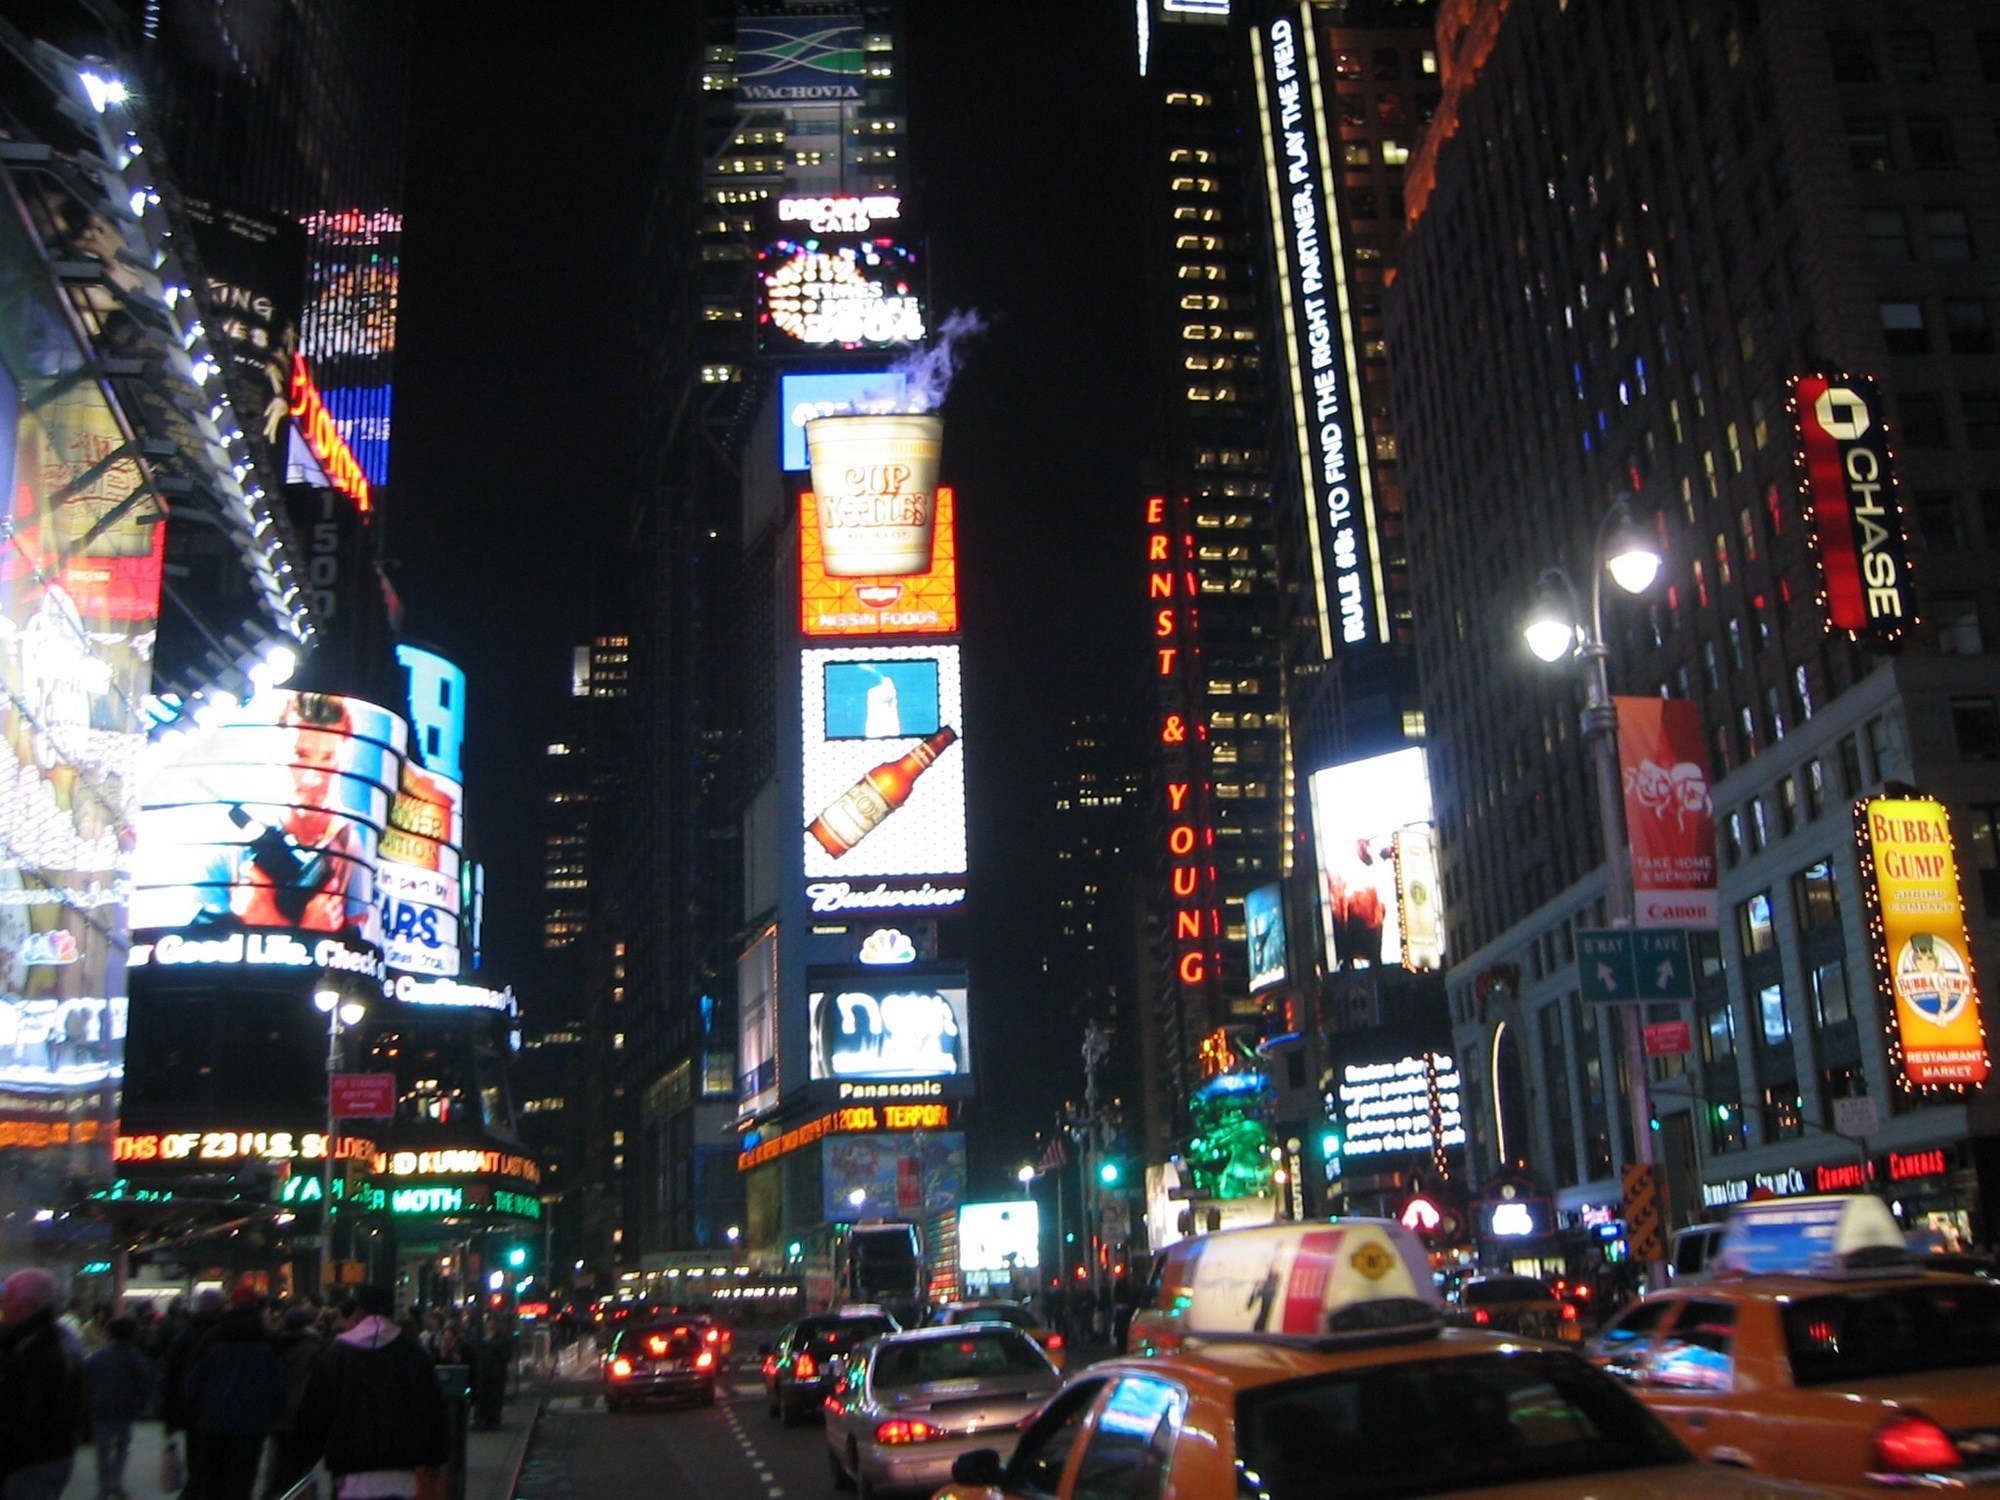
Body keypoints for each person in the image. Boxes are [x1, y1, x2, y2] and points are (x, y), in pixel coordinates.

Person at [294, 1286, 448, 1500]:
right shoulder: (413, 1353)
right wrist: (435, 1456)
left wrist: (304, 1457)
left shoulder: (337, 1354)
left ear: (358, 1312)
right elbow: (432, 1408)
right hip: (402, 1471)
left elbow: (316, 1412)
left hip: (351, 1471)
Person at [183, 1284, 287, 1500]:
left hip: (213, 1420)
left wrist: (195, 1412)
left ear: (231, 1304)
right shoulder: (267, 1339)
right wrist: (272, 1414)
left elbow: (194, 1380)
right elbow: (279, 1384)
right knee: (242, 1481)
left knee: (213, 1480)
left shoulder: (214, 1336)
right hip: (252, 1423)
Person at [0, 1267, 86, 1500]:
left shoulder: (40, 1350)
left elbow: (28, 1416)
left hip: (31, 1461)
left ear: (28, 1305)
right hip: (46, 1456)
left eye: (8, 1300)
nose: (3, 1306)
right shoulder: (56, 1341)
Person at [85, 1315, 154, 1500]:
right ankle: (115, 1481)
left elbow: (87, 1381)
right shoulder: (134, 1357)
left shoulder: (98, 1356)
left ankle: (104, 1486)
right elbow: (143, 1383)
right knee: (122, 1447)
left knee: (103, 1449)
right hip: (125, 1409)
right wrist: (145, 1403)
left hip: (100, 1408)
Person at [262, 1306, 324, 1500]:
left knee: (277, 1454)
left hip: (277, 1409)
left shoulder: (273, 1345)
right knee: (297, 1459)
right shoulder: (313, 1347)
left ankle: (274, 1490)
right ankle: (296, 1492)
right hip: (301, 1411)